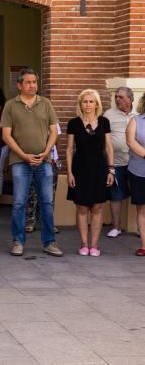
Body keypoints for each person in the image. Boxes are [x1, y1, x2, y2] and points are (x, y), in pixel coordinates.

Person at [1, 68, 62, 257]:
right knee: (19, 203)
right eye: (28, 82)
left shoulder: (46, 104)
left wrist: (46, 152)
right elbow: (6, 135)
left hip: (44, 161)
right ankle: (18, 241)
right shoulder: (11, 105)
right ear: (19, 85)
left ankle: (49, 242)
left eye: (34, 82)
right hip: (19, 161)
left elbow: (54, 131)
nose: (32, 85)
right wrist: (24, 155)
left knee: (47, 202)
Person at [66, 89, 114, 257]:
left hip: (100, 168)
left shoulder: (104, 122)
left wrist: (111, 170)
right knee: (81, 207)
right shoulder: (73, 123)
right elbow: (70, 148)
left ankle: (94, 245)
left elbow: (108, 147)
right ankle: (84, 245)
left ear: (97, 104)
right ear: (80, 104)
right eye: (85, 101)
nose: (88, 104)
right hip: (80, 168)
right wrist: (70, 172)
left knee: (98, 207)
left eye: (91, 101)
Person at [105, 86, 137, 238]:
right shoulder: (109, 115)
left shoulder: (138, 116)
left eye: (121, 97)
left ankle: (139, 228)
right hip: (115, 162)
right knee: (115, 195)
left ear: (130, 99)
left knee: (139, 195)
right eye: (116, 97)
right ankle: (116, 227)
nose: (117, 99)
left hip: (135, 162)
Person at [125, 94, 145, 256]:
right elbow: (130, 141)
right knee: (142, 209)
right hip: (138, 171)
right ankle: (144, 246)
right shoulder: (136, 120)